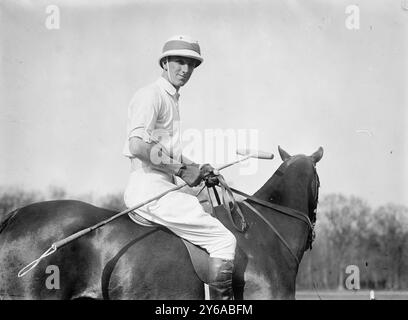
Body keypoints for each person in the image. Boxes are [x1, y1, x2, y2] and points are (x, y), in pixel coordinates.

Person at [123, 35, 237, 300]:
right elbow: (138, 146)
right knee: (224, 240)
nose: (185, 69)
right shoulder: (150, 95)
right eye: (179, 62)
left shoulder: (172, 99)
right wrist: (183, 171)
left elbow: (166, 152)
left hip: (162, 188)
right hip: (148, 189)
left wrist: (196, 167)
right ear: (164, 62)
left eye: (191, 64)